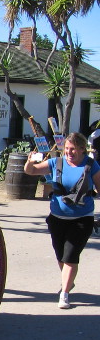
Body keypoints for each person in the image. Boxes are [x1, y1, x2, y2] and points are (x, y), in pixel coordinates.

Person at [24, 132, 100, 309]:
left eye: (73, 149)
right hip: (57, 218)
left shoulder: (91, 165)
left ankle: (64, 293)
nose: (69, 152)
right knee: (61, 256)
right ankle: (69, 280)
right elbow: (31, 171)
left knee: (71, 256)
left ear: (82, 149)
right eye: (66, 149)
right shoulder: (56, 163)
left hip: (82, 218)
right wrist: (30, 162)